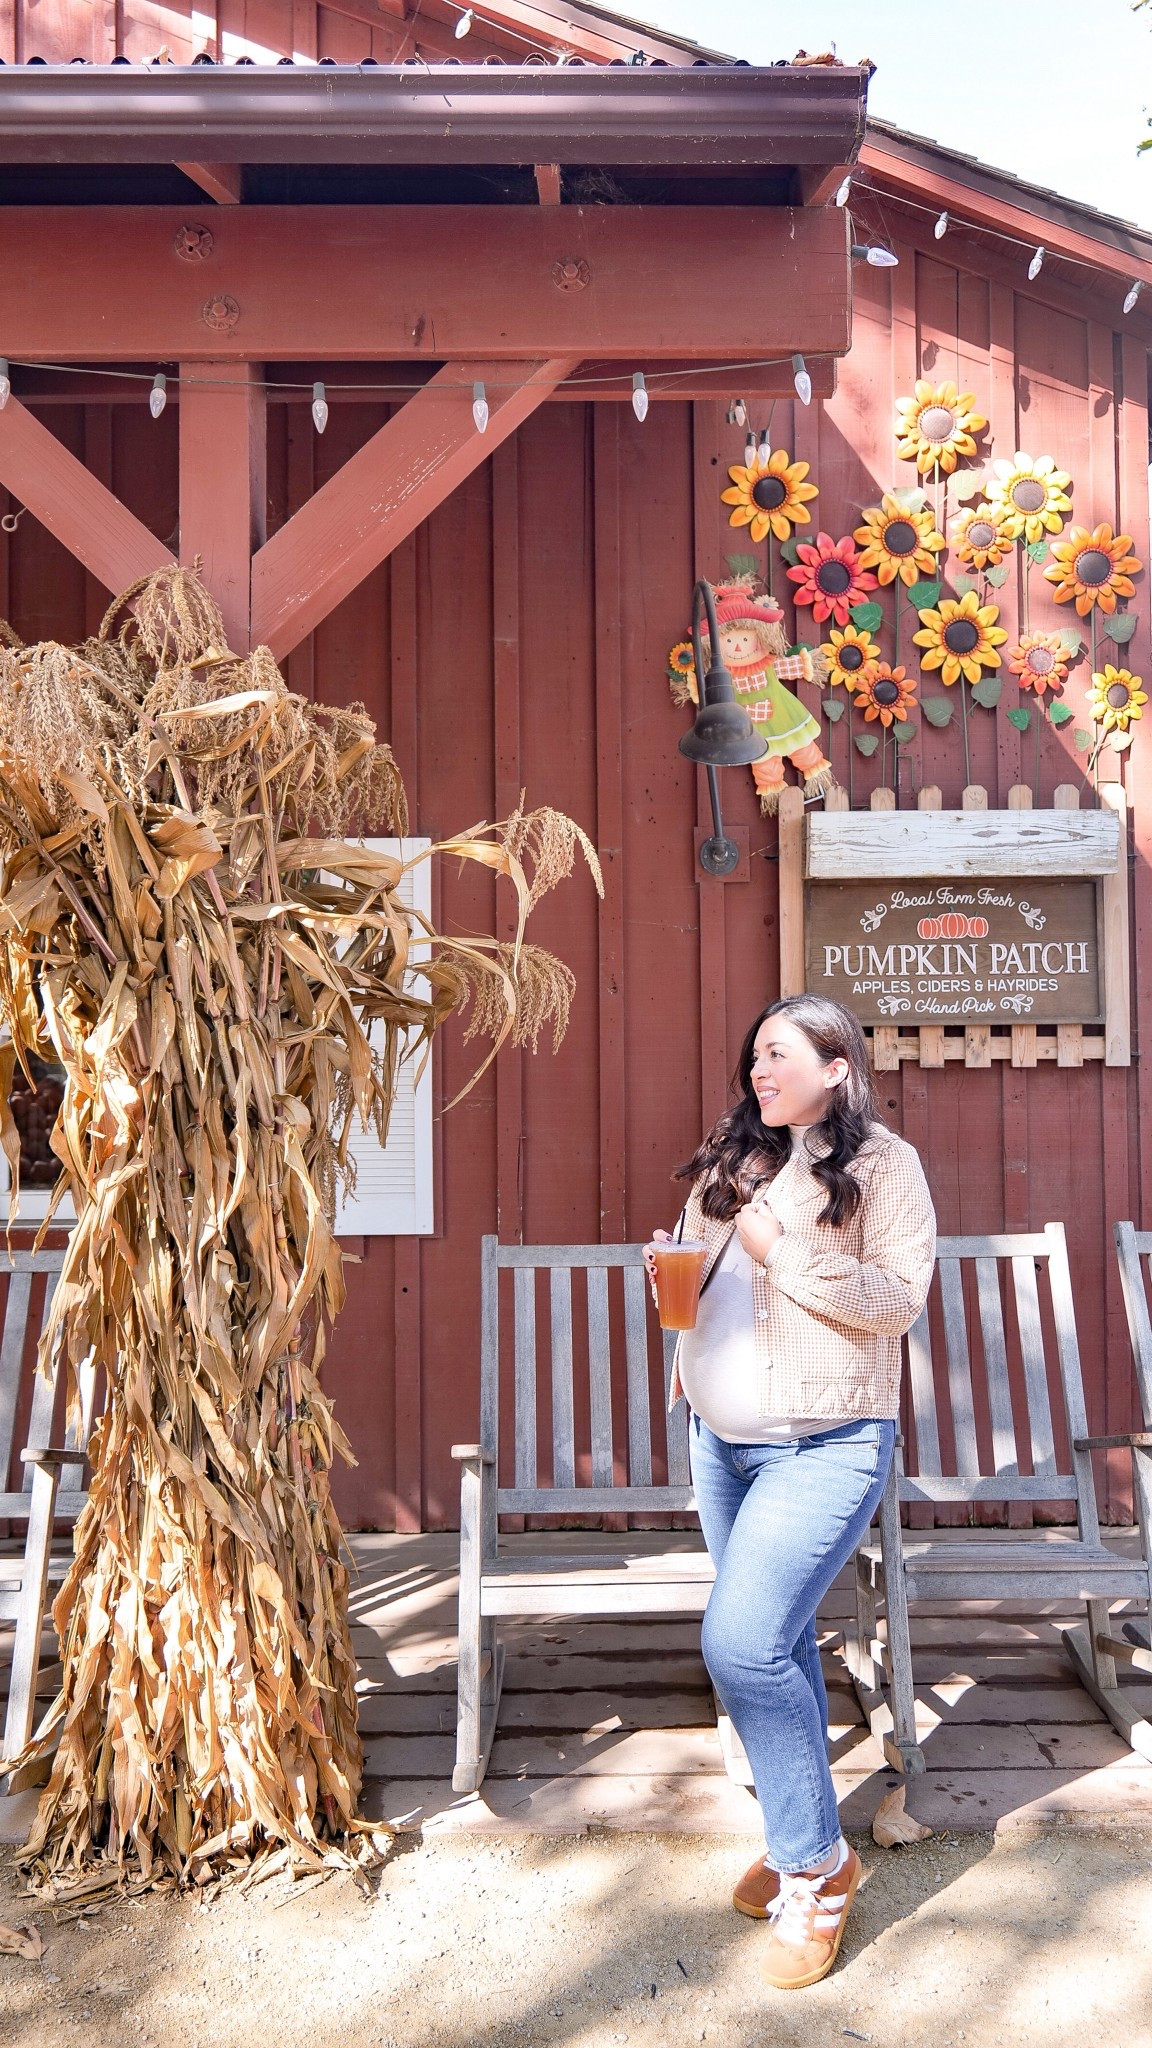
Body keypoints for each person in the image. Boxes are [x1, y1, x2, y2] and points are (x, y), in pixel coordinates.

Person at [647, 995, 935, 1990]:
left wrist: (785, 1251)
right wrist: (676, 1316)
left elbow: (895, 1300)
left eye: (779, 1053)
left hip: (827, 1440)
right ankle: (797, 1826)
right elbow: (699, 1279)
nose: (758, 1070)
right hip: (721, 1440)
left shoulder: (885, 1165)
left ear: (837, 1065)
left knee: (739, 1641)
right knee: (777, 1644)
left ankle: (818, 1867)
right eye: (754, 1056)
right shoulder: (739, 1156)